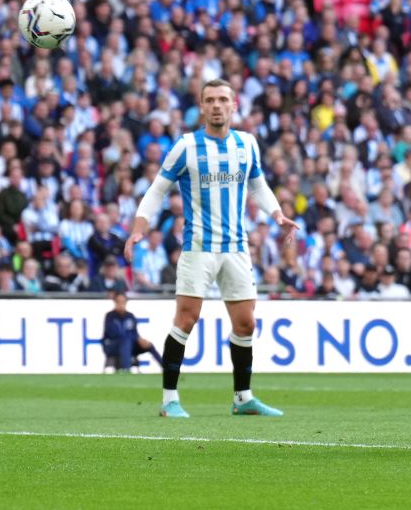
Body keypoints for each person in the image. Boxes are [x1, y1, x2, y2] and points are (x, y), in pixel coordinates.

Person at [126, 79, 300, 418]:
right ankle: (169, 400)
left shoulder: (247, 144)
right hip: (199, 247)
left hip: (236, 247)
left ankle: (242, 397)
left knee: (246, 323)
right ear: (202, 107)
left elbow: (258, 185)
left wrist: (277, 214)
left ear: (234, 105)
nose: (217, 105)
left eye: (223, 99)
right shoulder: (186, 146)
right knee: (187, 320)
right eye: (210, 100)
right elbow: (158, 189)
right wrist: (138, 228)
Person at [103, 292, 163, 372]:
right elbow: (112, 333)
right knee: (125, 340)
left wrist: (140, 340)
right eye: (119, 302)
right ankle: (126, 370)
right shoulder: (110, 316)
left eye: (123, 302)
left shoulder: (130, 316)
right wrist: (133, 337)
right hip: (112, 345)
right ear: (115, 303)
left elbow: (135, 333)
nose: (121, 305)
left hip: (129, 345)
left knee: (148, 345)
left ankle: (166, 368)